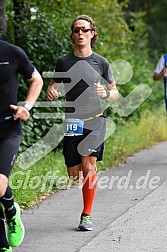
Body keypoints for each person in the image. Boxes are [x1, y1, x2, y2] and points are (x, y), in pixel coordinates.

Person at [47, 14, 118, 231]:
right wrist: (52, 91)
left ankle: (86, 215)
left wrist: (105, 93)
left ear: (92, 34)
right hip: (73, 121)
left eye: (85, 30)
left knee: (89, 167)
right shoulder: (64, 61)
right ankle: (85, 198)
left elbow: (115, 92)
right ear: (72, 34)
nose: (81, 33)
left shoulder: (101, 62)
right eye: (77, 30)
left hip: (95, 119)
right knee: (73, 172)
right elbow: (53, 85)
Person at [0, 39, 43, 251]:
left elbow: (36, 80)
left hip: (8, 128)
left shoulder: (12, 53)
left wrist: (26, 106)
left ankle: (11, 212)